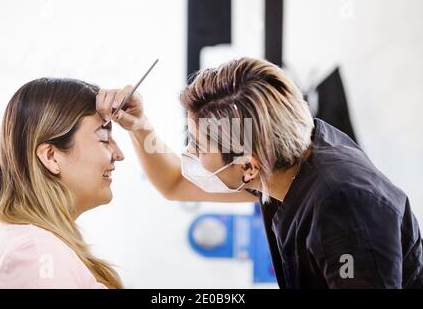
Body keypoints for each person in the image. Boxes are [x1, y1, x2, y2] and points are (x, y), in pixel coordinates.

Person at [99, 57, 423, 288]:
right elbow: (174, 183)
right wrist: (139, 125)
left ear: (249, 166)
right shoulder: (287, 158)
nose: (190, 153)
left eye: (198, 145)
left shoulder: (341, 205)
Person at [0, 78, 124, 288]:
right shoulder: (35, 254)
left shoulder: (38, 247)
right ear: (51, 156)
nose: (119, 154)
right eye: (104, 138)